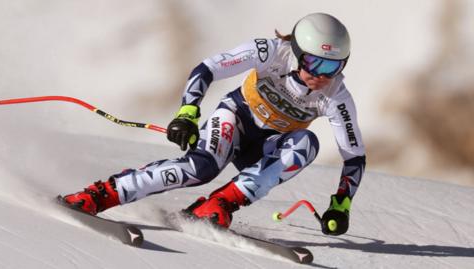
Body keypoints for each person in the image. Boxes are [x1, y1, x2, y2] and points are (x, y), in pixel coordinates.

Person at [63, 12, 366, 236]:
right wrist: (188, 112)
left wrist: (342, 203)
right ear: (298, 53)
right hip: (236, 119)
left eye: (334, 66)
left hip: (267, 147)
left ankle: (217, 205)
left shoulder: (336, 96)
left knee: (306, 145)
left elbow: (354, 157)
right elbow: (207, 68)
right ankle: (102, 194)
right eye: (316, 63)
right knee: (199, 169)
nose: (322, 75)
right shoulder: (270, 52)